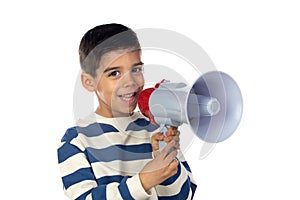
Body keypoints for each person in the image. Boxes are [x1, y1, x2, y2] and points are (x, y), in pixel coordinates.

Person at [57, 23, 197, 199]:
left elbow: (185, 196)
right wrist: (143, 181)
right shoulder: (77, 141)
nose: (130, 81)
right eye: (114, 73)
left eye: (136, 69)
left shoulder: (154, 129)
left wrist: (165, 161)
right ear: (89, 82)